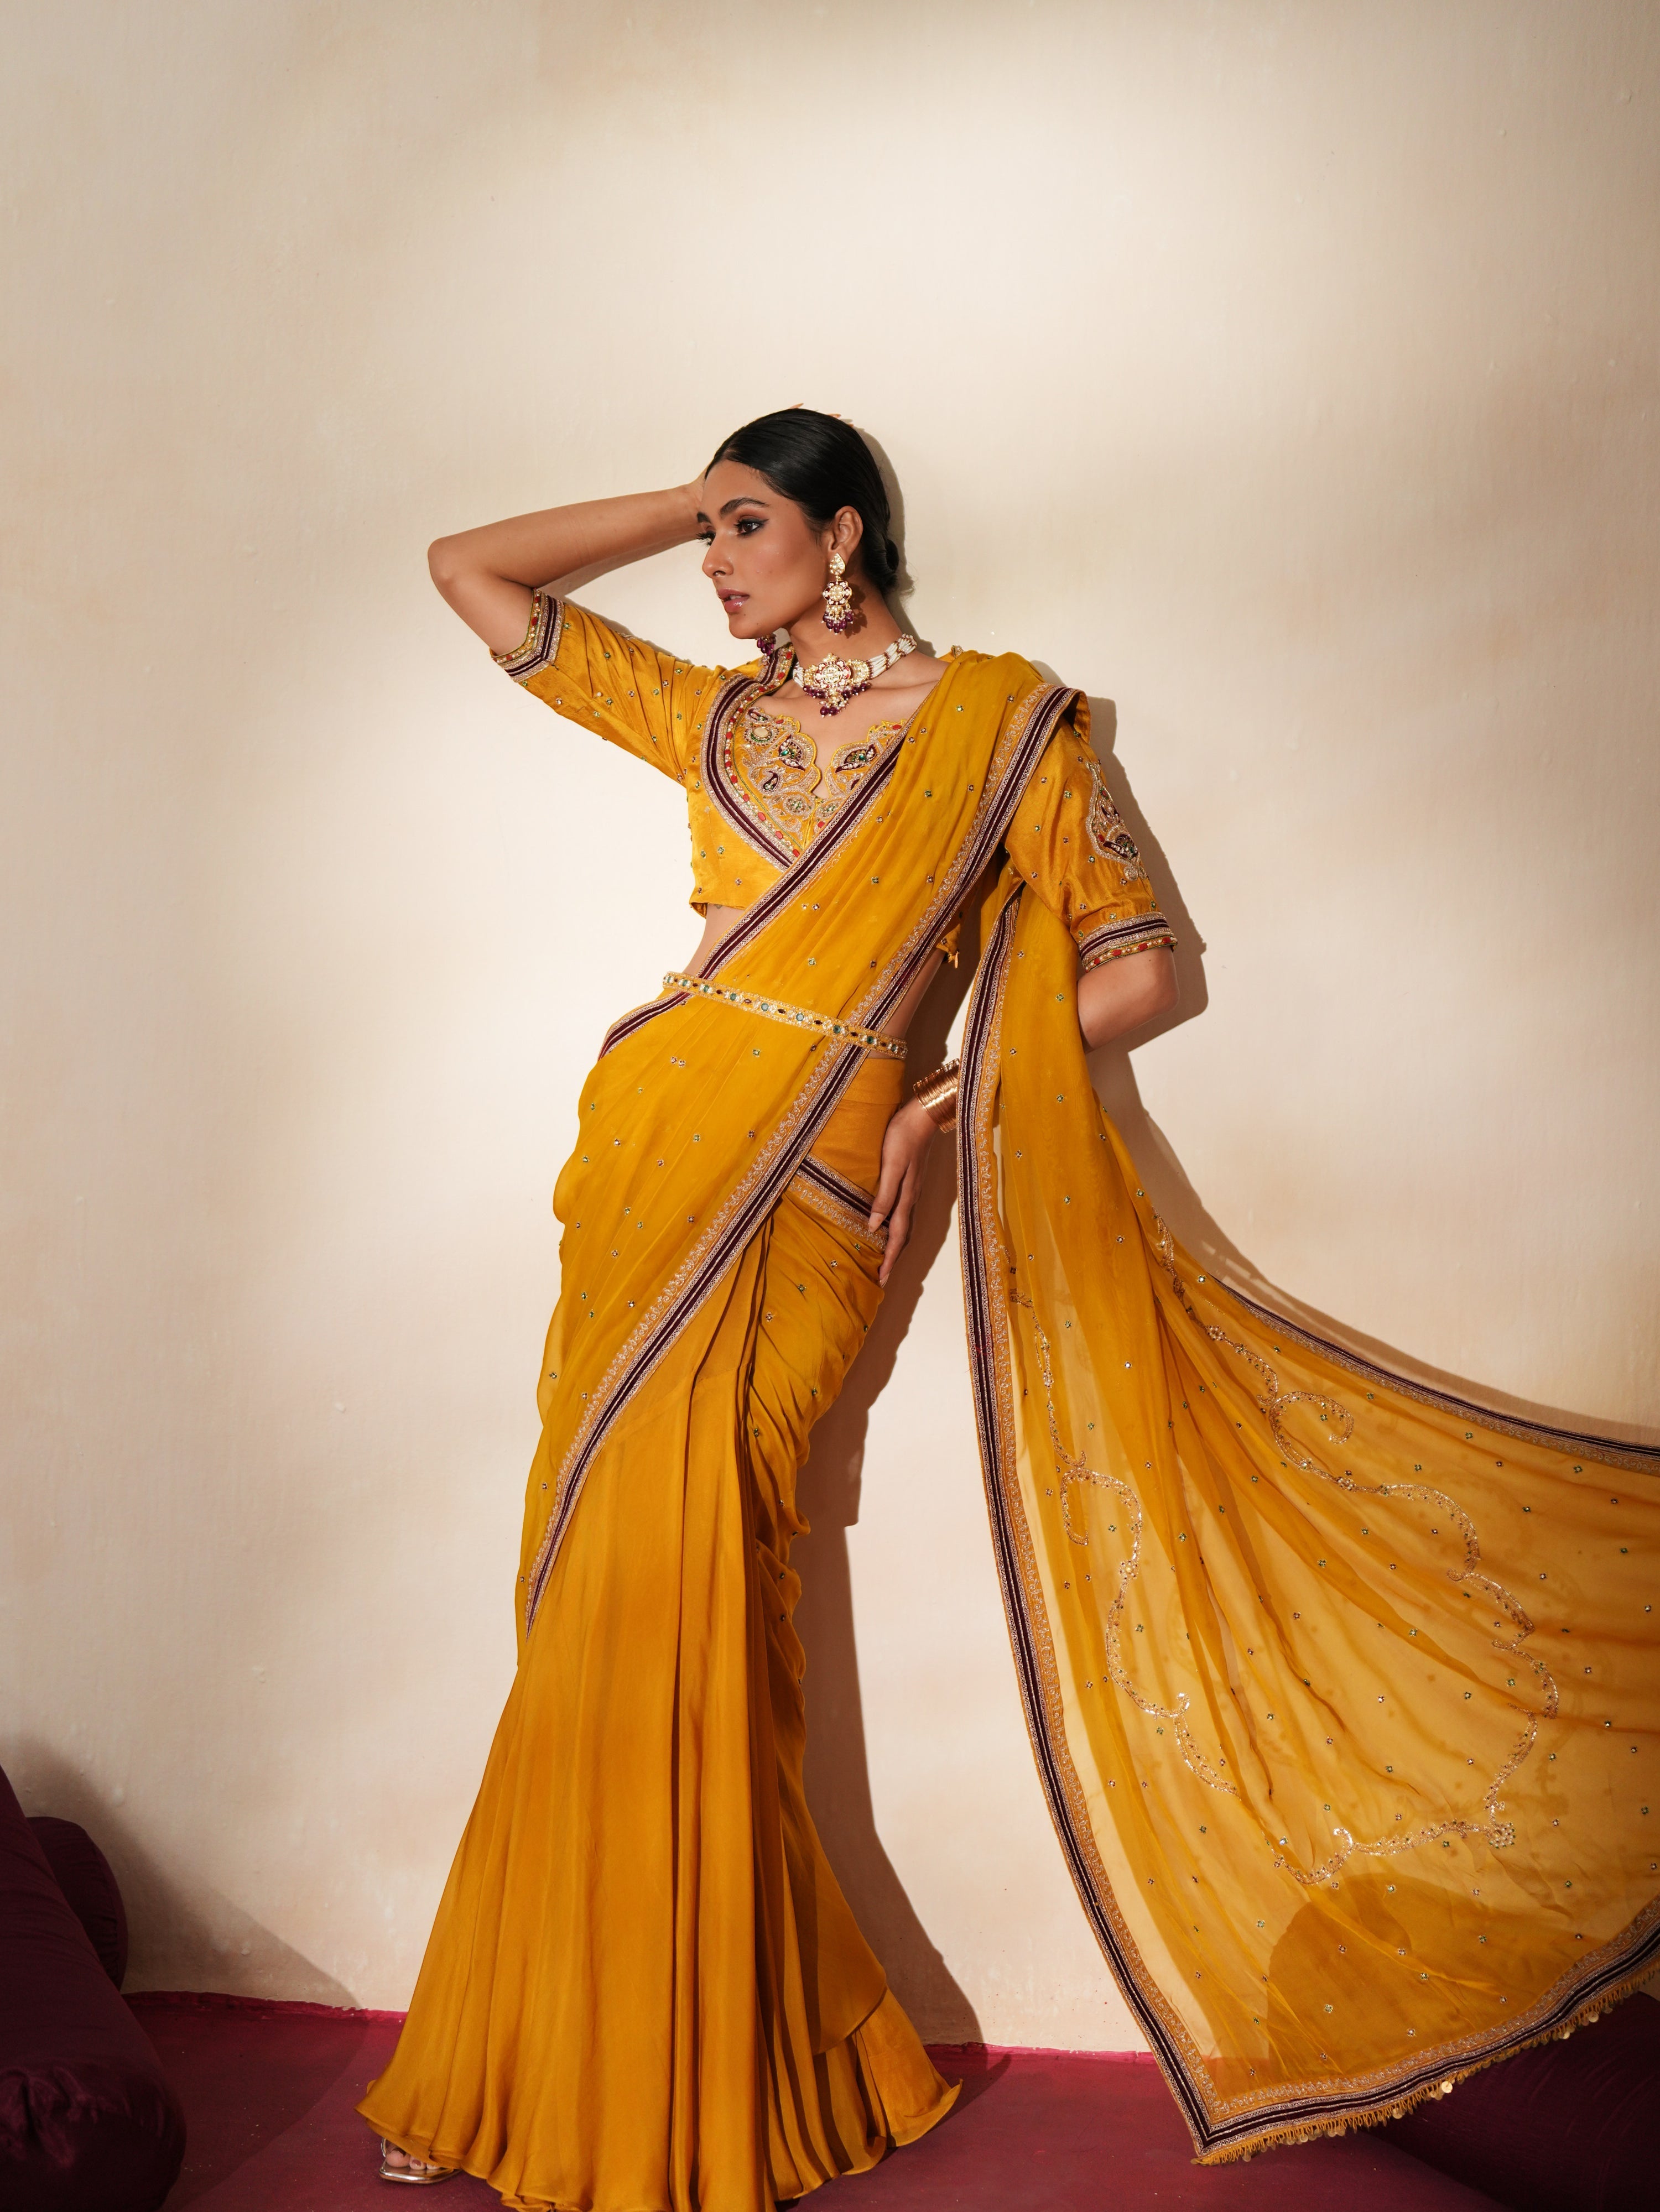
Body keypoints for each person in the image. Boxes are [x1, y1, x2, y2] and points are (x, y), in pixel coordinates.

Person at [360, 411, 1658, 2201]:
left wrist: (941, 1099)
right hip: (654, 1150)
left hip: (817, 1184)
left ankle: (691, 2054)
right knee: (603, 1585)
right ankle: (537, 2049)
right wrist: (686, 496)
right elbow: (468, 570)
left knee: (709, 1570)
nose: (714, 565)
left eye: (747, 529)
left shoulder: (1004, 727)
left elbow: (1142, 967)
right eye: (706, 537)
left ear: (843, 533)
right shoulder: (710, 720)